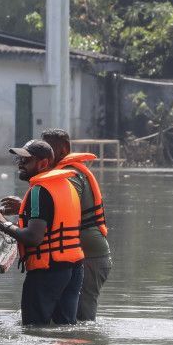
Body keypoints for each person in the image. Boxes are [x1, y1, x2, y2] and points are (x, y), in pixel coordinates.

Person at [0, 140, 85, 326]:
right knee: (65, 329)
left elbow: (33, 238)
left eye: (26, 160)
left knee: (34, 328)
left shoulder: (39, 191)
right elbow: (53, 217)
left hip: (48, 270)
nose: (20, 164)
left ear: (43, 163)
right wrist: (20, 210)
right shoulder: (66, 184)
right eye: (19, 159)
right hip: (73, 268)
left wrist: (2, 222)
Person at [41, 128, 110, 321]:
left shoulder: (70, 174)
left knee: (82, 317)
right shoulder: (69, 171)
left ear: (63, 149)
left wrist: (28, 208)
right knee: (71, 316)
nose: (45, 153)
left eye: (49, 148)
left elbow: (66, 205)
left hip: (91, 257)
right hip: (88, 254)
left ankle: (86, 342)